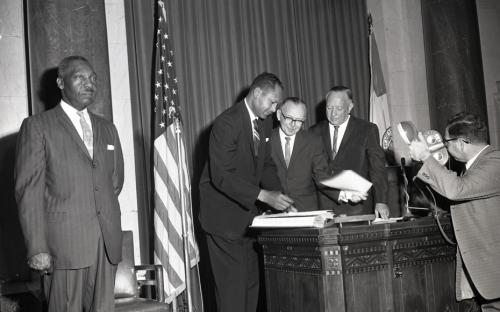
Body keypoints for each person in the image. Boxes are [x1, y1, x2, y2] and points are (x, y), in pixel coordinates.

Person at [14, 56, 124, 312]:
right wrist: (37, 247)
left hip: (105, 246)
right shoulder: (37, 126)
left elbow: (114, 182)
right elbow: (28, 191)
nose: (90, 84)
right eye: (80, 78)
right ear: (61, 82)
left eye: (93, 79)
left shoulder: (108, 129)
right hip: (63, 248)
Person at [198, 72, 294, 312]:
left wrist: (279, 198)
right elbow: (222, 175)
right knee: (232, 296)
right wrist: (263, 196)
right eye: (272, 102)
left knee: (251, 291)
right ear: (257, 93)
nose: (274, 110)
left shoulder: (263, 124)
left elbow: (267, 166)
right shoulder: (227, 123)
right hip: (224, 223)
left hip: (249, 222)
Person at [408, 112, 500, 312]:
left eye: (447, 142)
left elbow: (456, 190)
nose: (446, 148)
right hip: (487, 269)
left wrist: (426, 156)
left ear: (461, 142)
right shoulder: (476, 165)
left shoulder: (495, 161)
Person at [270, 97, 366, 211]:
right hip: (273, 210)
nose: (293, 125)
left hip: (305, 211)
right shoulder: (265, 140)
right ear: (279, 114)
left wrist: (344, 194)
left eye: (299, 121)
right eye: (289, 118)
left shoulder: (313, 141)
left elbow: (321, 175)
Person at [310, 86, 389, 218]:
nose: (333, 113)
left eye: (339, 108)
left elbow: (377, 168)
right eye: (329, 108)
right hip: (324, 207)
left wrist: (381, 201)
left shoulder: (367, 130)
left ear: (350, 106)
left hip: (358, 207)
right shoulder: (314, 132)